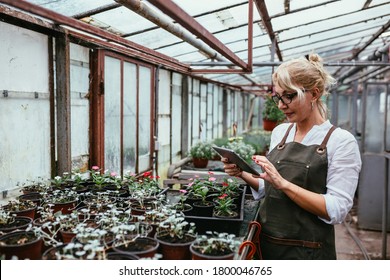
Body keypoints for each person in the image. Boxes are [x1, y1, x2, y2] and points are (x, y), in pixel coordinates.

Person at [222, 53, 362, 260]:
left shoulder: (341, 141)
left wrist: (283, 184)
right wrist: (242, 173)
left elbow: (336, 209)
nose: (281, 105)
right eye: (278, 97)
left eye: (289, 96)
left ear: (314, 94)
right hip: (265, 244)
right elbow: (268, 189)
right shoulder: (281, 133)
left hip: (306, 252)